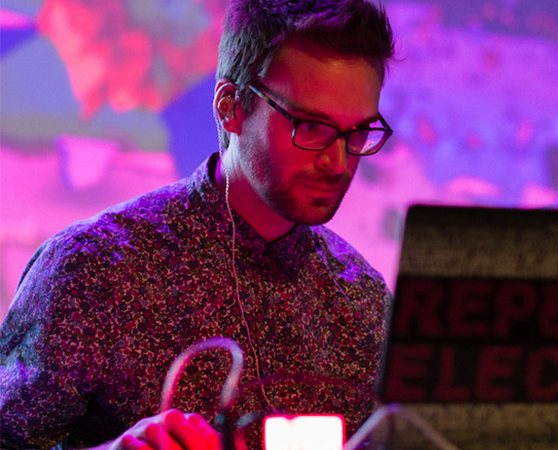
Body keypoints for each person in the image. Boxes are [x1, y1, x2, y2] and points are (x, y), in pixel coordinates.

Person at [0, 0, 395, 449]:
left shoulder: (364, 301)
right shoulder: (95, 268)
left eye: (358, 132)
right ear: (231, 107)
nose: (337, 161)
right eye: (311, 127)